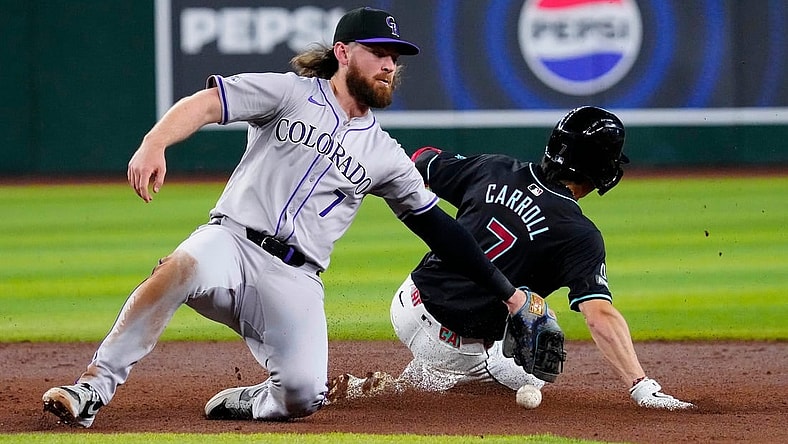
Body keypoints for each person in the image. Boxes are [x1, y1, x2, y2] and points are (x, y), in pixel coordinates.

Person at [40, 6, 533, 427]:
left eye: (395, 57)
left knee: (302, 395)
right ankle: (92, 389)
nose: (389, 65)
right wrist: (154, 142)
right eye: (379, 52)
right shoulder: (290, 92)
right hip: (231, 242)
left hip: (294, 278)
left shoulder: (385, 154)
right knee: (179, 268)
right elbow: (208, 104)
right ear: (343, 52)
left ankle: (259, 399)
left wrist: (509, 296)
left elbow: (441, 230)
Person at [327, 106, 695, 411]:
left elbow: (423, 160)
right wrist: (641, 386)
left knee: (519, 314)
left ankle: (393, 385)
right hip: (450, 342)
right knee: (536, 360)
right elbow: (599, 316)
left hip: (406, 302)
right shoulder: (580, 234)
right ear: (603, 169)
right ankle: (412, 389)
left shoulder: (494, 168)